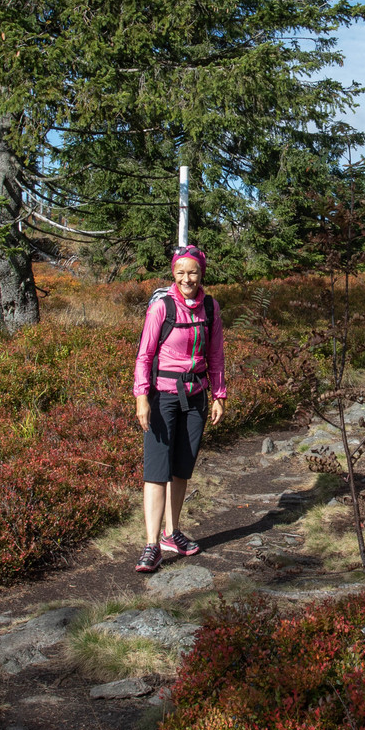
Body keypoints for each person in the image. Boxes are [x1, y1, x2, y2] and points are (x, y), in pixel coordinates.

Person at [131, 245, 225, 573]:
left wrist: (219, 394)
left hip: (196, 397)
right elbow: (144, 355)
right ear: (174, 273)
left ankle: (173, 533)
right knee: (156, 472)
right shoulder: (161, 307)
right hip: (162, 396)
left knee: (181, 470)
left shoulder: (211, 308)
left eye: (193, 272)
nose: (187, 278)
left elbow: (216, 356)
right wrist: (142, 397)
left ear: (202, 273)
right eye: (181, 272)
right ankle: (151, 545)